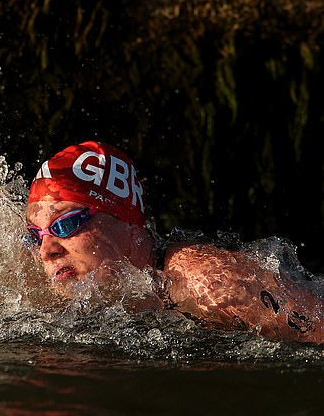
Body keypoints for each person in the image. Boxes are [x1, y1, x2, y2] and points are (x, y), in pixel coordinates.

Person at [25, 141, 324, 344]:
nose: (46, 251)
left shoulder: (209, 282)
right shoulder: (46, 288)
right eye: (35, 235)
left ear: (128, 222)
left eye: (65, 224)